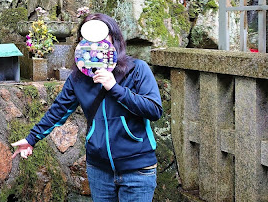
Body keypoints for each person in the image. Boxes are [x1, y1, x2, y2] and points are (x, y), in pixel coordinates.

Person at [11, 13, 163, 202]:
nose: (95, 43)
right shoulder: (78, 79)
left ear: (113, 38)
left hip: (137, 171)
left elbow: (154, 110)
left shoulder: (137, 69)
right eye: (87, 37)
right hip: (99, 171)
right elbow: (58, 110)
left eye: (101, 35)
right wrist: (31, 139)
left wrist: (115, 89)